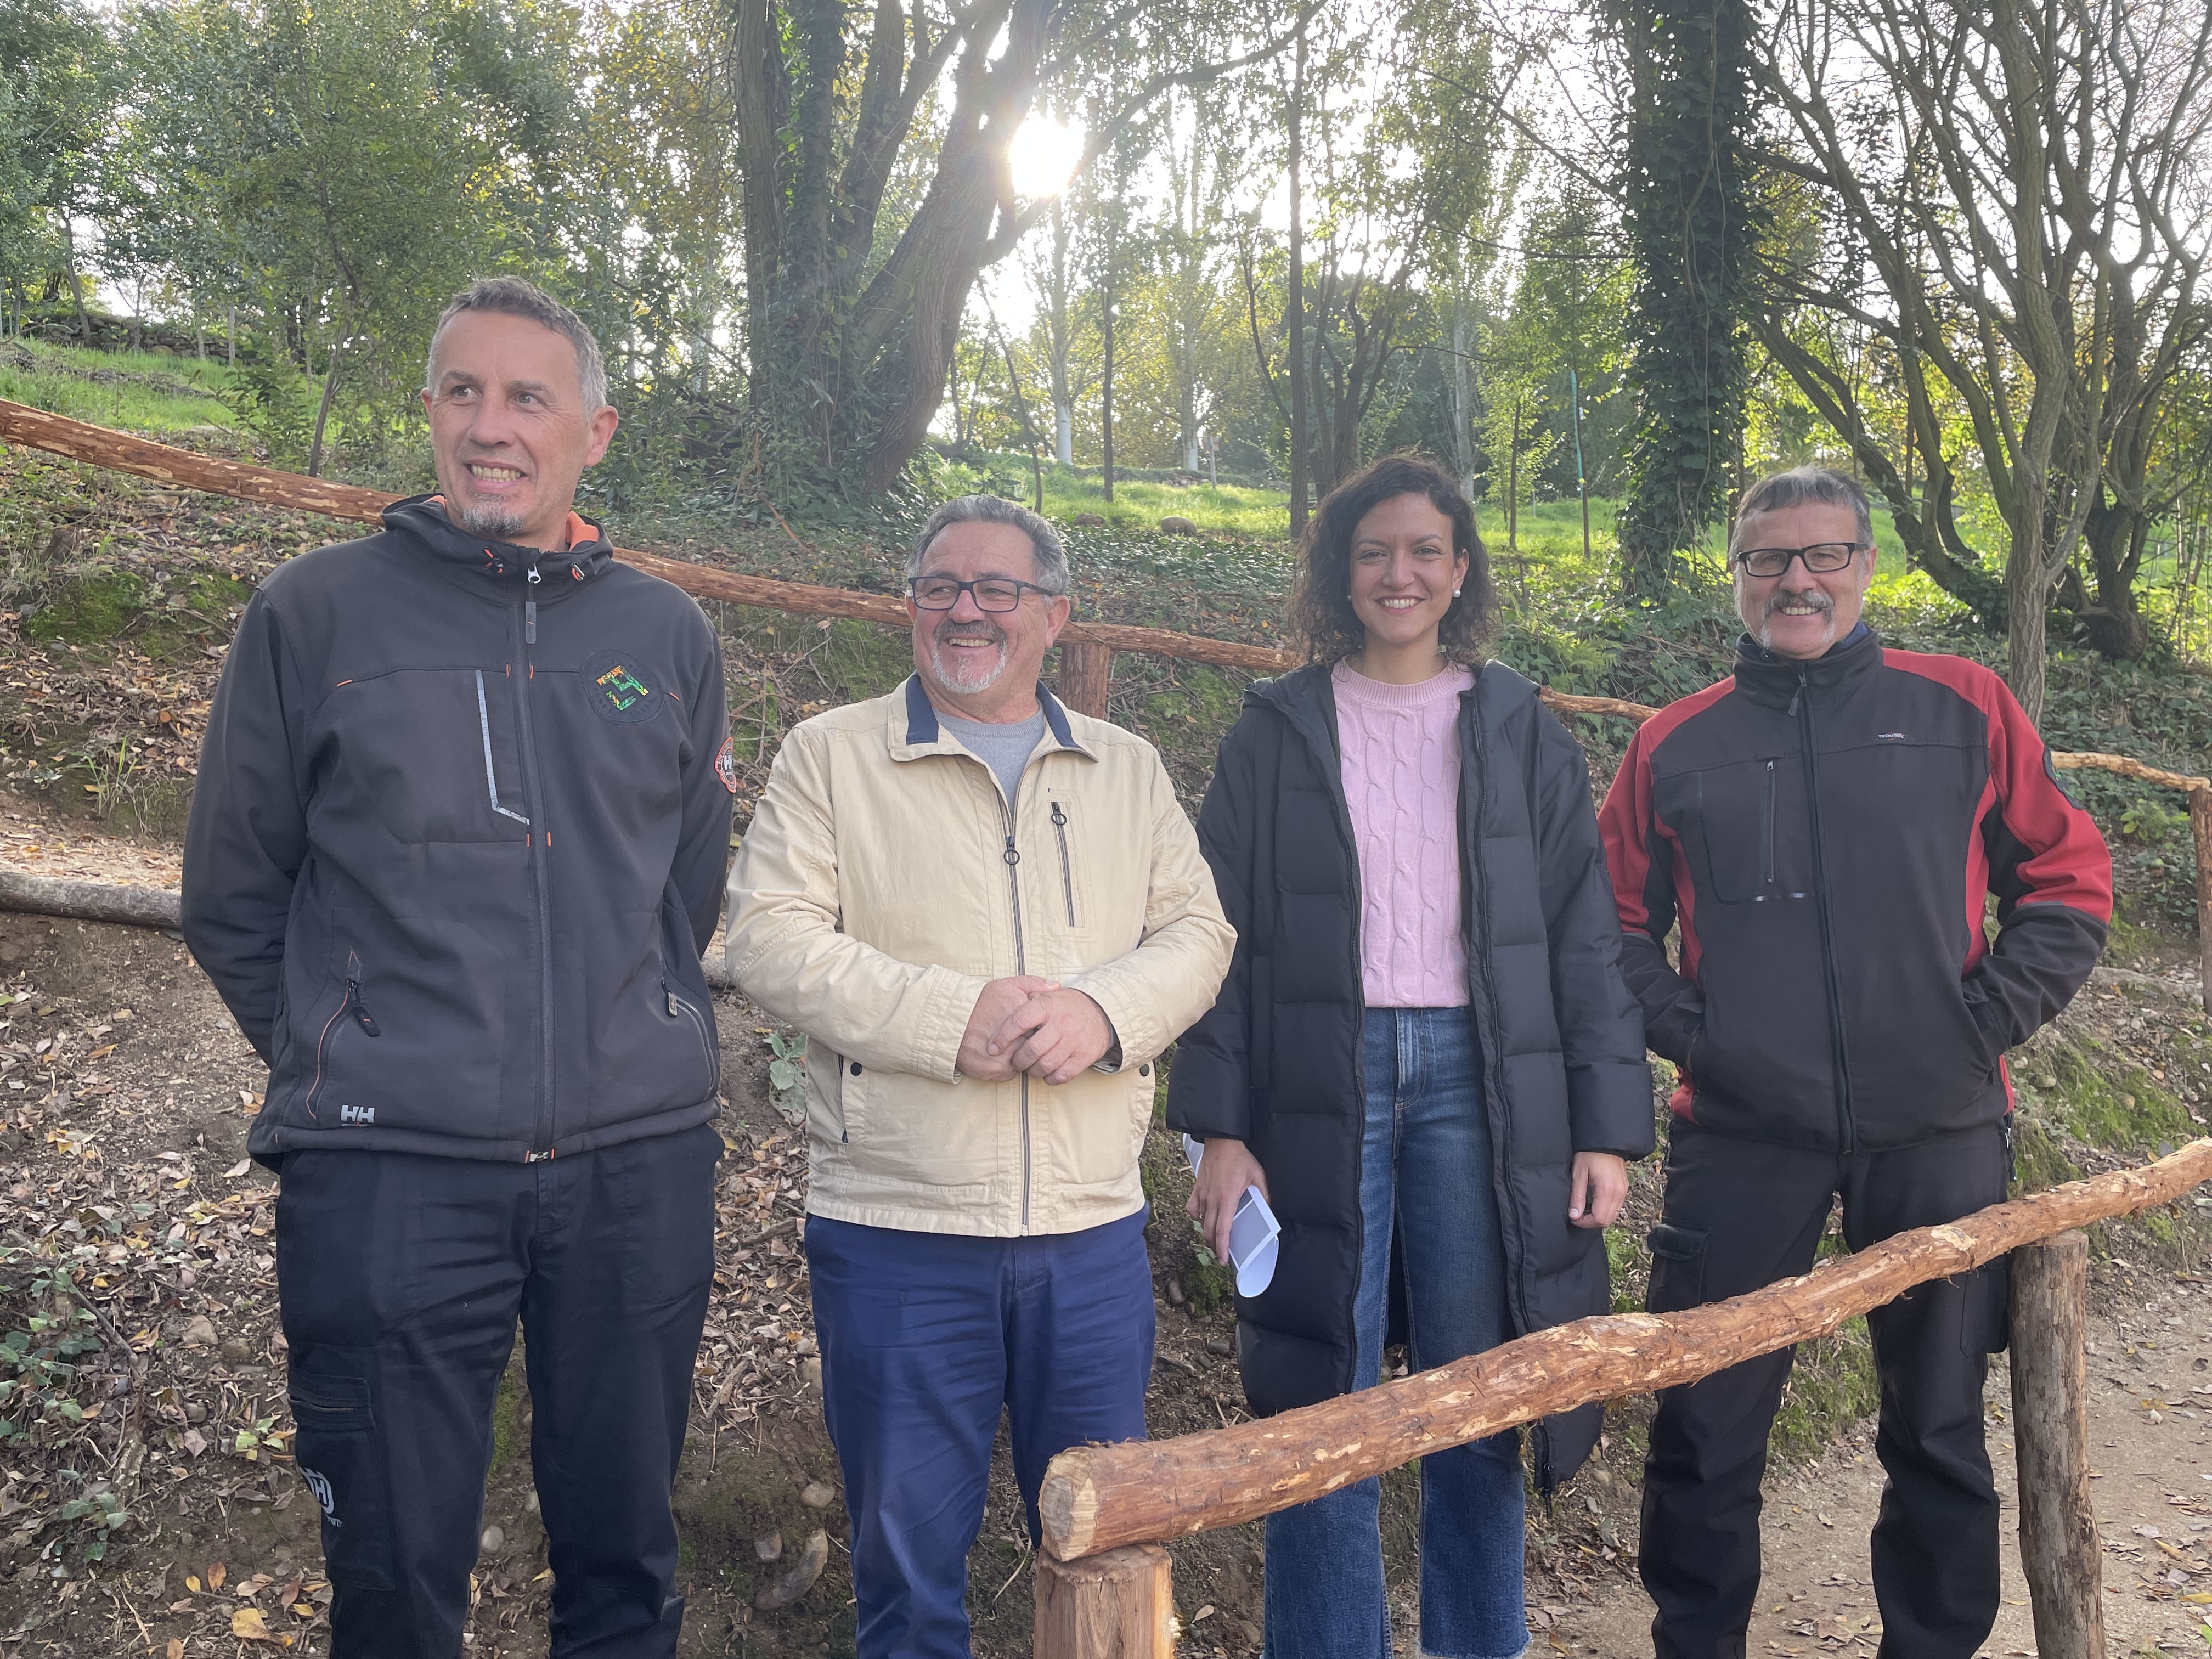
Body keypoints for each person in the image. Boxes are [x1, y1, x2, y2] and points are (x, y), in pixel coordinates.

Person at [182, 276, 733, 1658]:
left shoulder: (667, 639)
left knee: (625, 1571)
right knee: (394, 1584)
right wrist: (357, 1047)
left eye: (529, 397)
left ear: (594, 431)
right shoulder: (315, 617)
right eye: (464, 392)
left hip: (634, 1173)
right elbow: (233, 890)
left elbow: (688, 880)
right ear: (427, 412)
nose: (493, 426)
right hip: (388, 1180)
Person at [1597, 465, 2113, 1659]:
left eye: (1823, 555)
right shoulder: (1676, 743)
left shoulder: (1965, 706)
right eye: (1770, 558)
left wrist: (1978, 1024)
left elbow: (2071, 882)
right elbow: (1611, 926)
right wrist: (1700, 1041)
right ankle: (1698, 1643)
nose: (1797, 580)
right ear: (1736, 576)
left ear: (1866, 568)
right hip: (1740, 1133)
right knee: (1704, 1420)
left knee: (1936, 1423)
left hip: (1938, 1125)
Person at [724, 494, 1234, 1659]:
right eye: (940, 586)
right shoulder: (832, 754)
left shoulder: (1126, 768)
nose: (964, 609)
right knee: (906, 1568)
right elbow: (767, 935)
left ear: (1052, 615)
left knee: (1105, 1551)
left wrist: (1105, 1012)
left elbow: (1199, 935)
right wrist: (949, 1018)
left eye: (996, 589)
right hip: (897, 1228)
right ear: (911, 608)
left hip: (1090, 1235)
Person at [1168, 454, 1654, 1659]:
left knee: (1474, 1393)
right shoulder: (1276, 730)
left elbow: (1583, 939)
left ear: (1460, 571)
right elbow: (1212, 936)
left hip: (1485, 1083)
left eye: (1425, 551)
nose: (1400, 572)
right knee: (1317, 1398)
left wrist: (1605, 1126)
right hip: (1314, 1080)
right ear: (1342, 570)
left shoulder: (1518, 724)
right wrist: (1220, 1128)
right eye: (1374, 550)